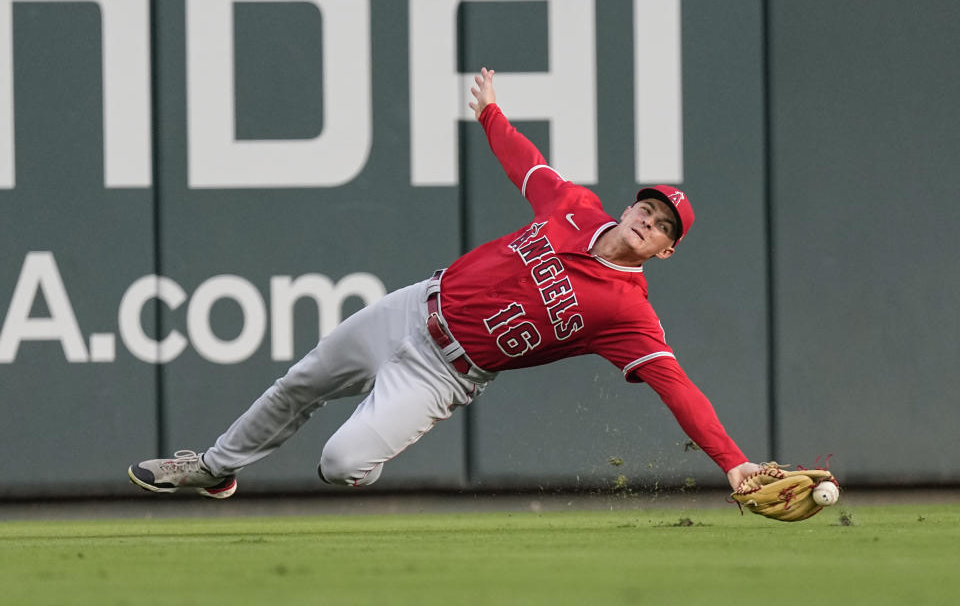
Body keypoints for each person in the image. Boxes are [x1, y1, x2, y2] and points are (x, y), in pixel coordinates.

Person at [128, 67, 761, 499]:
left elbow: (680, 389)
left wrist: (734, 464)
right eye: (647, 209)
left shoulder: (629, 313)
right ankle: (213, 468)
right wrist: (490, 114)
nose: (648, 222)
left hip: (445, 373)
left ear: (667, 251)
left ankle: (359, 439)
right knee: (299, 382)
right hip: (412, 307)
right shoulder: (573, 208)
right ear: (631, 207)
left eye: (661, 227)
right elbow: (527, 164)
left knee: (341, 465)